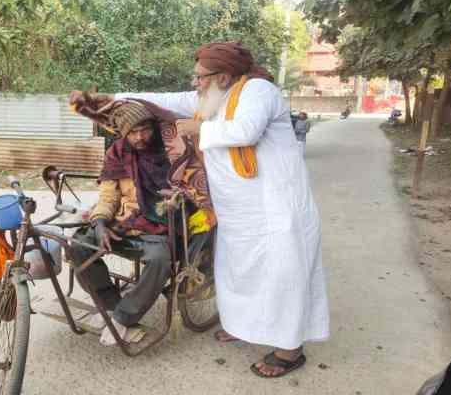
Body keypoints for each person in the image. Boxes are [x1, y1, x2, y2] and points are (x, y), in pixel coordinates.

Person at [71, 41, 329, 377]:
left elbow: (246, 131)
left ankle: (289, 350)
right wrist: (111, 98)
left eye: (200, 77)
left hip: (276, 209)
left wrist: (198, 129)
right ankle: (244, 327)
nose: (194, 84)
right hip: (237, 211)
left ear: (223, 76)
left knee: (281, 275)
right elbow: (161, 100)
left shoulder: (258, 90)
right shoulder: (212, 98)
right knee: (238, 272)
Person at [69, 102, 173, 346]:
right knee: (78, 244)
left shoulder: (169, 152)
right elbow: (109, 196)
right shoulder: (117, 153)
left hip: (156, 223)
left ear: (154, 128)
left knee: (161, 259)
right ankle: (111, 304)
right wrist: (101, 223)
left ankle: (125, 316)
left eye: (145, 129)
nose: (140, 137)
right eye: (133, 132)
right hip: (123, 221)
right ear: (123, 133)